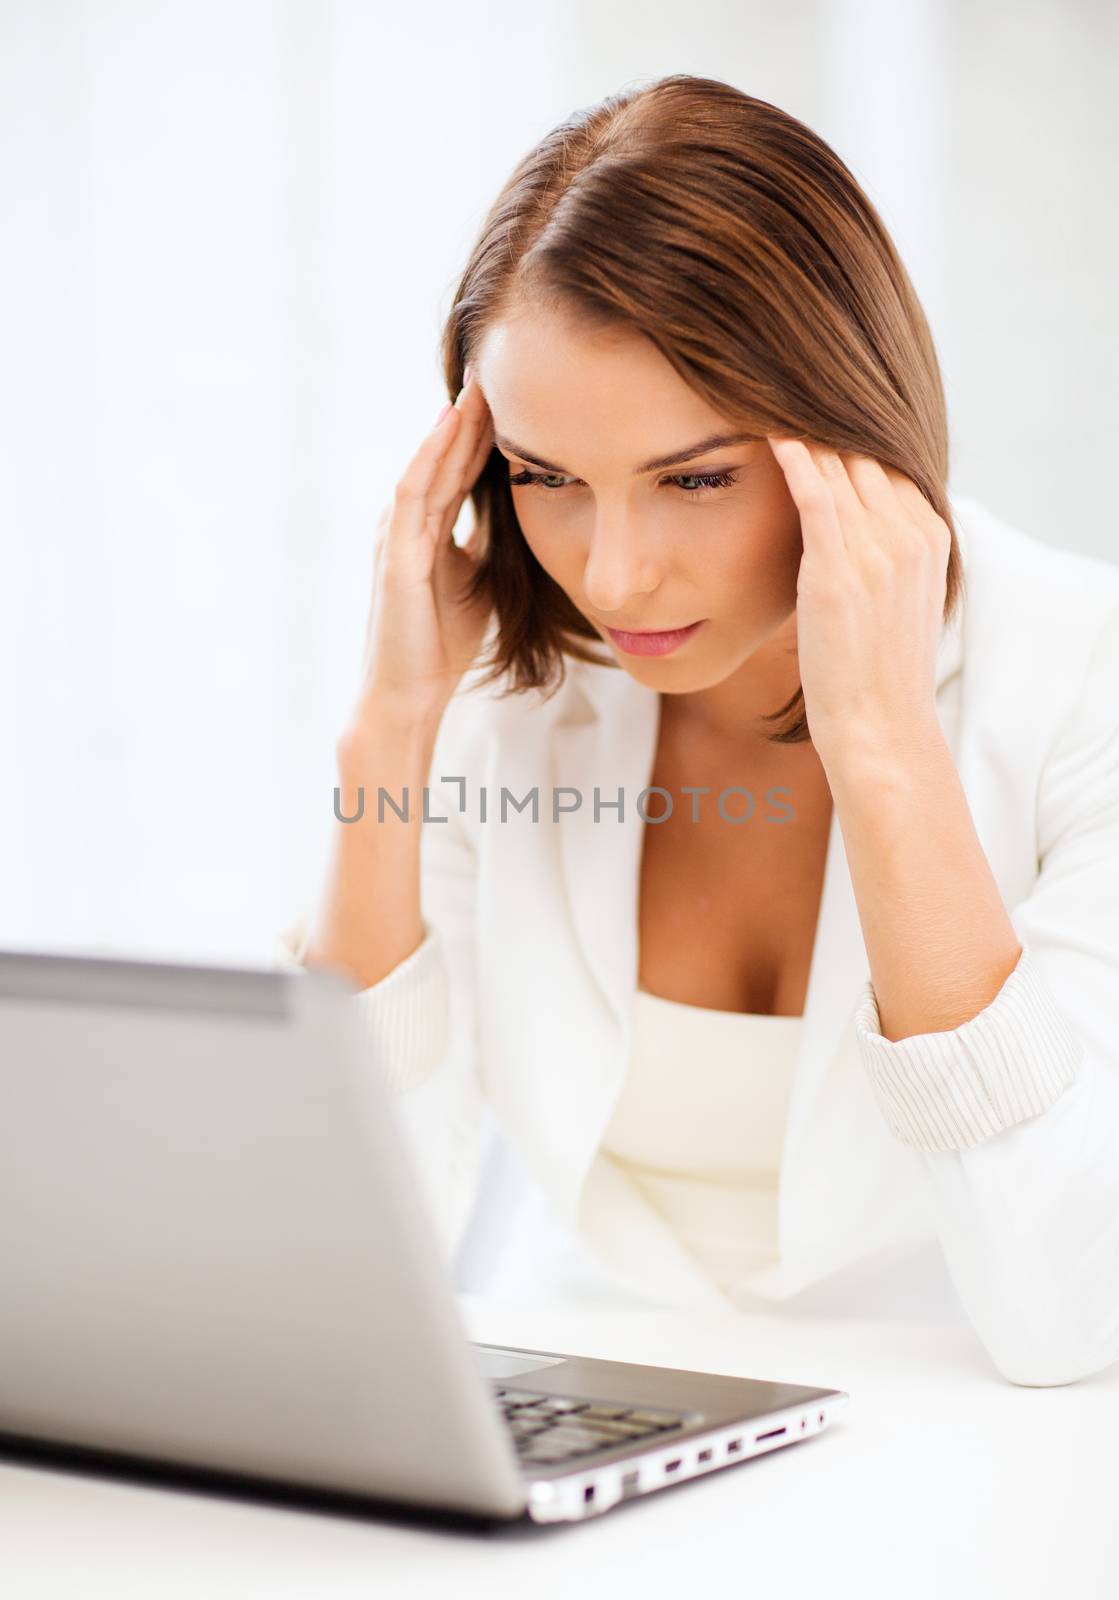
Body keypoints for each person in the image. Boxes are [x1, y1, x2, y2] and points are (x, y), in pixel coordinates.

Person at [277, 75, 1119, 1386]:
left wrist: (886, 748)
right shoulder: (509, 698)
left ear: (848, 432)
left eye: (695, 479)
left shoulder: (1080, 676)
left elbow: (1068, 1316)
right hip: (590, 1417)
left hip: (970, 1449)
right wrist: (389, 732)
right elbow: (332, 1265)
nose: (611, 580)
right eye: (546, 478)